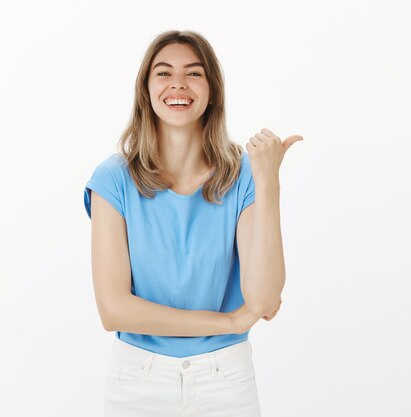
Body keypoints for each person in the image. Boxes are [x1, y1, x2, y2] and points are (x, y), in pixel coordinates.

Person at [83, 30, 303, 417]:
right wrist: (229, 321)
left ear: (213, 90)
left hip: (225, 380)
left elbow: (264, 300)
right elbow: (114, 310)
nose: (178, 84)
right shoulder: (113, 178)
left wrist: (269, 182)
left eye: (194, 73)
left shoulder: (244, 176)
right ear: (146, 91)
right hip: (138, 381)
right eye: (164, 73)